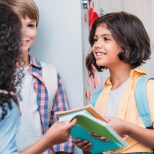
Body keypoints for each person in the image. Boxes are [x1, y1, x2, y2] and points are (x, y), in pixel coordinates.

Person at [0, 2, 76, 154]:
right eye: (16, 25)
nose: (24, 33)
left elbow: (62, 129)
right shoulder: (4, 77)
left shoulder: (50, 74)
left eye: (30, 25)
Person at [73, 12, 154, 153]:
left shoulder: (147, 87)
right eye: (95, 40)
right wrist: (87, 146)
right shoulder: (97, 97)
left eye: (106, 39)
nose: (97, 45)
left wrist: (126, 128)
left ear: (126, 44)